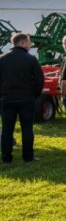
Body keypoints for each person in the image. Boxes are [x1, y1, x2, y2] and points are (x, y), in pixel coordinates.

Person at [0, 33, 44, 163]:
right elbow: (39, 80)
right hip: (26, 99)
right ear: (23, 43)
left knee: (7, 129)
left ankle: (6, 158)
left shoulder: (2, 59)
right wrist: (34, 95)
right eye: (29, 42)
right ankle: (28, 157)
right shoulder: (31, 59)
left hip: (6, 99)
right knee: (27, 129)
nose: (30, 45)